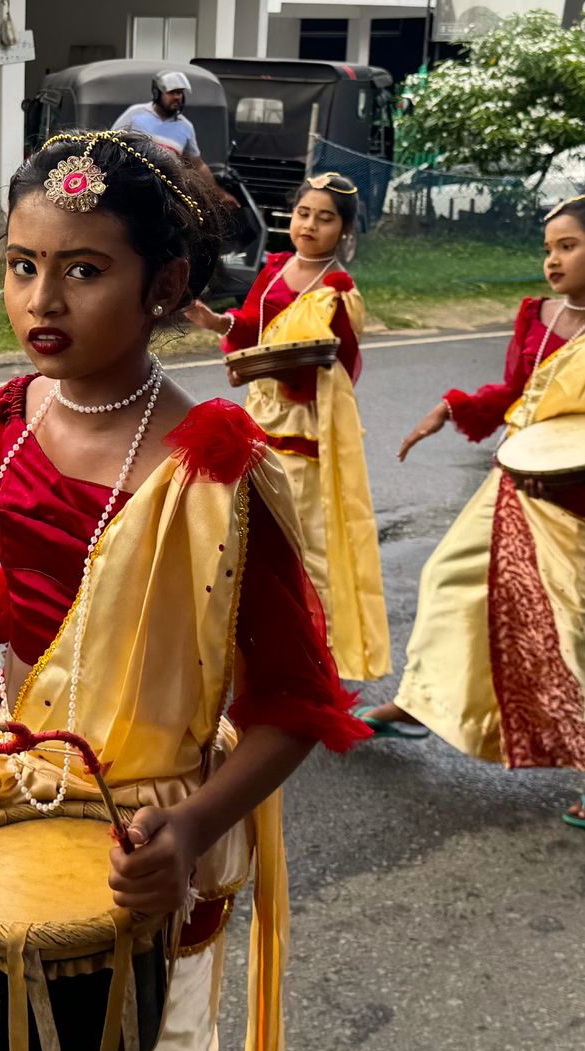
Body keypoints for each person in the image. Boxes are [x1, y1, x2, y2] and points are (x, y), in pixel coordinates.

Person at [0, 127, 369, 1051]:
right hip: (13, 793)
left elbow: (296, 704)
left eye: (84, 271)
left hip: (145, 842)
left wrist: (197, 828)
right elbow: (49, 616)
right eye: (23, 266)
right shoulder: (3, 421)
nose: (41, 301)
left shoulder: (216, 476)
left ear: (163, 287)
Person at [361, 196, 585, 830]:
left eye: (568, 246)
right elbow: (513, 394)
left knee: (570, 631)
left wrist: (580, 462)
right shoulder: (535, 315)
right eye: (548, 247)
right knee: (448, 578)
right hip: (509, 481)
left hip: (575, 505)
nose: (552, 259)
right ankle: (422, 702)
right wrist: (453, 408)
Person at [183, 171, 390, 680]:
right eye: (303, 214)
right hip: (260, 418)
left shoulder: (338, 290)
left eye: (325, 219)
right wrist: (219, 323)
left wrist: (271, 364)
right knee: (236, 536)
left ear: (344, 232)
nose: (309, 226)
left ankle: (309, 659)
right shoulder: (276, 268)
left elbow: (331, 366)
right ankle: (244, 650)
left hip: (303, 430)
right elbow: (256, 323)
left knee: (300, 547)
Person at [112, 69, 229, 196]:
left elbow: (199, 165)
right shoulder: (135, 114)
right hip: (133, 184)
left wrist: (220, 193)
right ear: (157, 93)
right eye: (172, 92)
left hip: (165, 193)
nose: (177, 97)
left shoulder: (186, 126)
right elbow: (111, 143)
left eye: (180, 93)